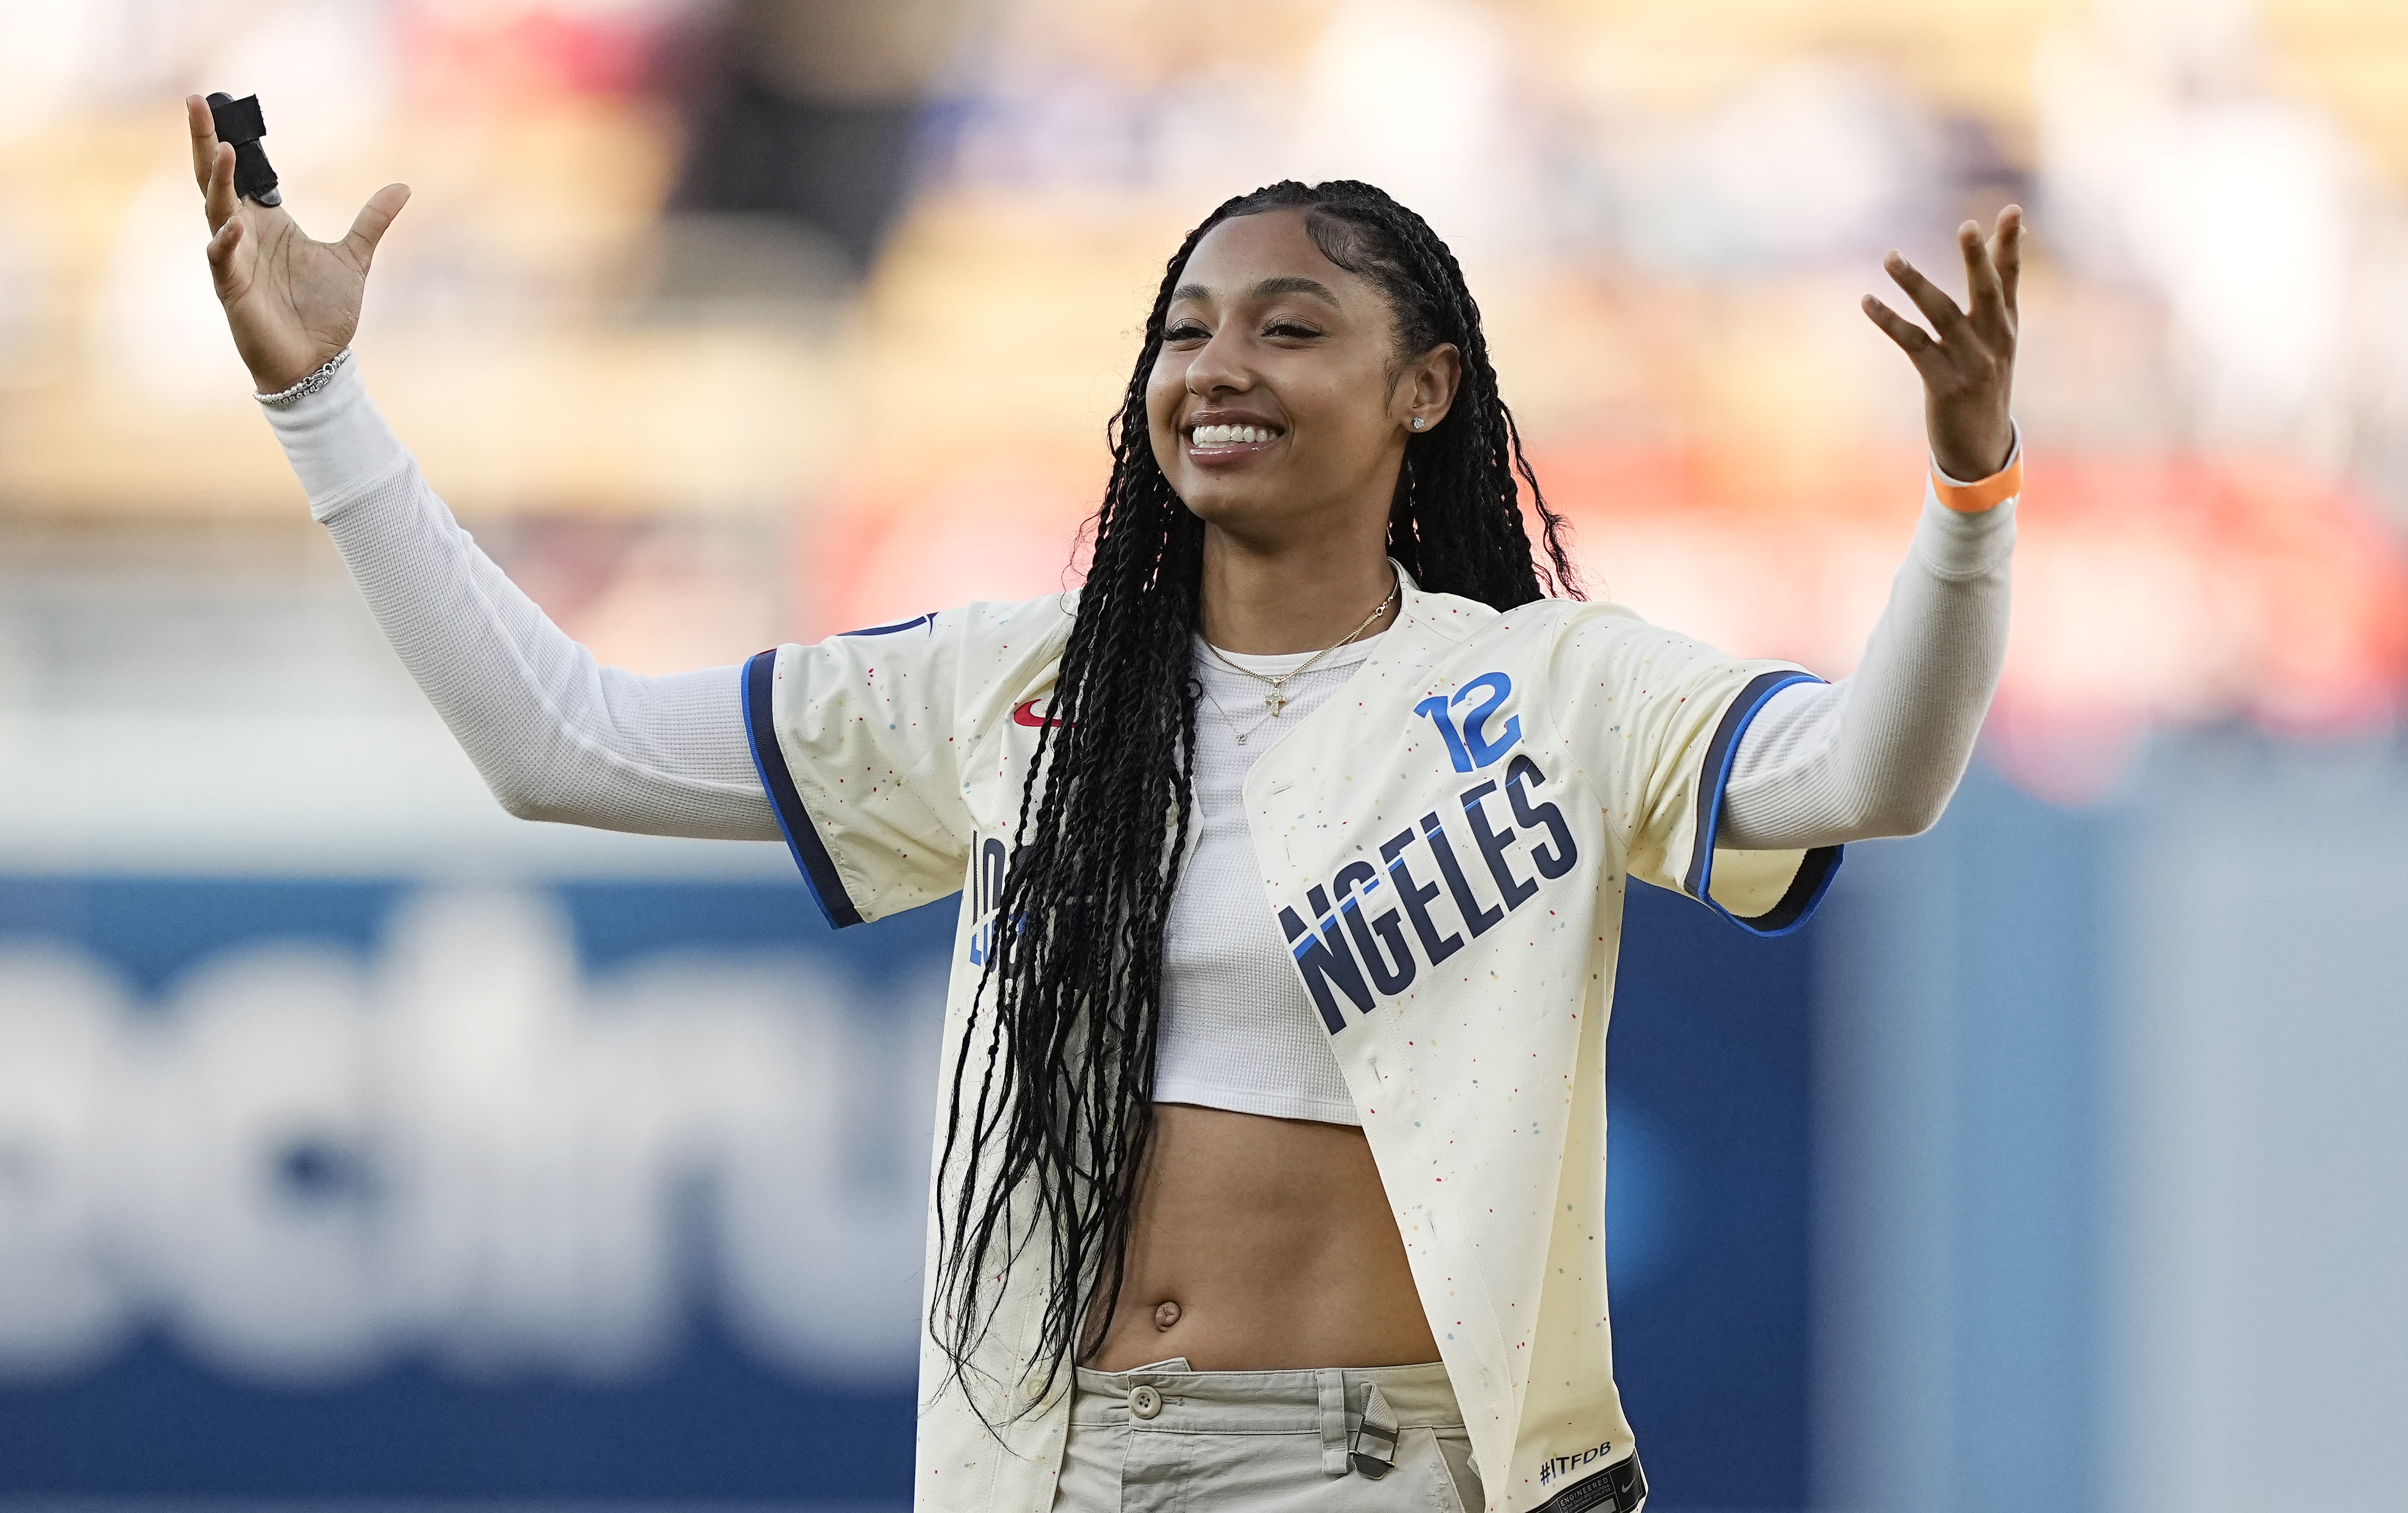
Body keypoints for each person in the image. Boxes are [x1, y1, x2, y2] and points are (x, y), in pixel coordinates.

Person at [185, 95, 2021, 1513]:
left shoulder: (1558, 686)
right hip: (1054, 1459)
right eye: (1186, 329)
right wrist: (321, 400)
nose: (1218, 366)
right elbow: (557, 742)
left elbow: (1875, 775)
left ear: (1425, 390)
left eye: (1290, 328)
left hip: (1375, 1465)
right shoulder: (1013, 683)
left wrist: (1965, 497)